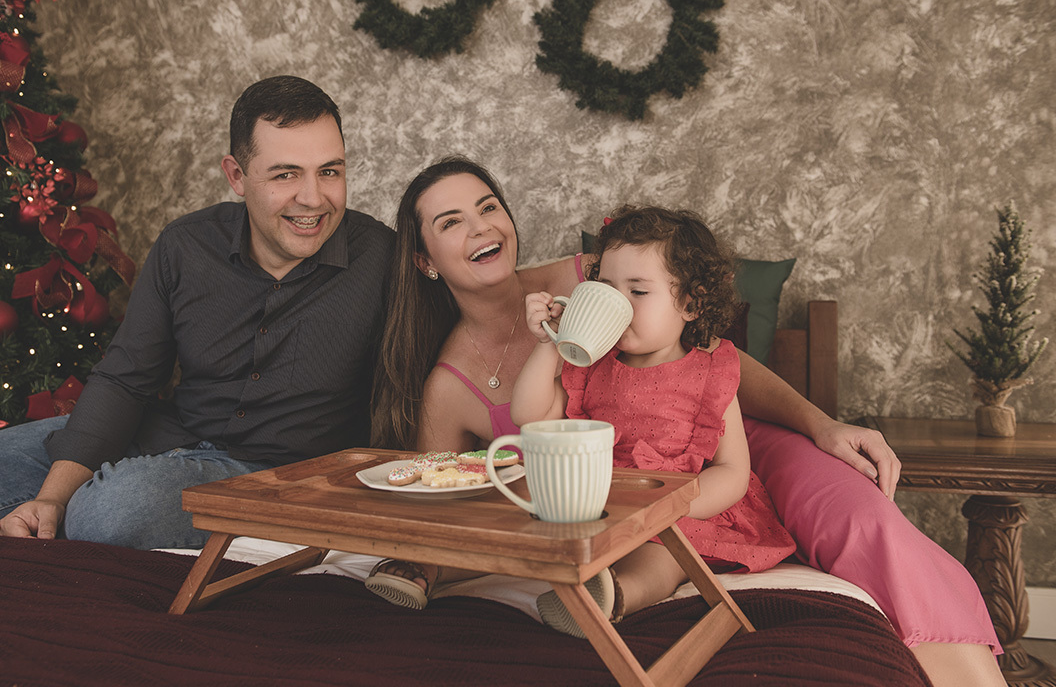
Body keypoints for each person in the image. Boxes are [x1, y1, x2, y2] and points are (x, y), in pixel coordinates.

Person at [367, 156, 1004, 687]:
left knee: (851, 523)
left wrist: (820, 424)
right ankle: (584, 592)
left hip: (711, 466)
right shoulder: (465, 379)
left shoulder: (588, 276)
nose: (481, 226)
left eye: (487, 206)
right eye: (451, 221)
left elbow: (721, 371)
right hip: (601, 488)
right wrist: (550, 347)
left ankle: (962, 666)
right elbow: (461, 476)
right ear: (424, 259)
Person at [0, 75, 394, 550]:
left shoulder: (383, 259)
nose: (313, 198)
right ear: (236, 176)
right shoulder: (187, 245)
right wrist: (51, 498)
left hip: (276, 478)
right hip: (165, 436)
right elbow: (125, 379)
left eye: (330, 171)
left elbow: (418, 391)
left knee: (111, 510)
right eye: (286, 174)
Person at [511, 205, 797, 636]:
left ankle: (613, 596)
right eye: (607, 289)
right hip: (600, 503)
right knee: (532, 521)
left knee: (666, 554)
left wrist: (670, 510)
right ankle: (436, 569)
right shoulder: (591, 363)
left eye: (638, 292)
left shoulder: (711, 371)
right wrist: (550, 342)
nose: (619, 306)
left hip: (676, 509)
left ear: (690, 303)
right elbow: (528, 415)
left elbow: (733, 471)